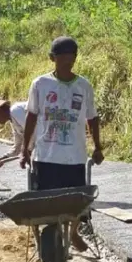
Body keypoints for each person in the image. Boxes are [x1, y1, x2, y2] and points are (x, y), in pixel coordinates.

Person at [20, 36, 104, 251]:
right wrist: (25, 149)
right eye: (63, 57)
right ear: (52, 58)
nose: (68, 61)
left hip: (74, 156)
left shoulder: (84, 86)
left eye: (72, 57)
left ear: (76, 58)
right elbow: (31, 116)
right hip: (46, 156)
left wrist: (97, 147)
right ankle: (52, 242)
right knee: (47, 206)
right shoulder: (41, 84)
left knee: (77, 205)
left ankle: (73, 233)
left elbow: (92, 118)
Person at [0, 98, 31, 167]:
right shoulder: (13, 122)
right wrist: (3, 158)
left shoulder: (16, 111)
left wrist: (27, 151)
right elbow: (18, 146)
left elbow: (34, 131)